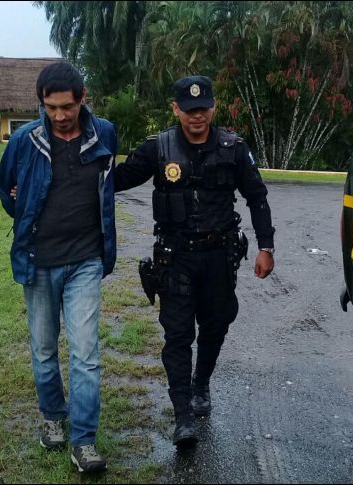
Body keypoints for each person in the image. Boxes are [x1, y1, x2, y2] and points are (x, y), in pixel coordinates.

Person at [114, 75, 275, 447]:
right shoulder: (158, 148)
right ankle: (182, 415)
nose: (196, 117)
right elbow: (118, 179)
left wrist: (266, 246)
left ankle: (201, 383)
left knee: (216, 324)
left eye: (202, 109)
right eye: (189, 110)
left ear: (213, 107)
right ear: (176, 109)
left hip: (219, 255)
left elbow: (257, 196)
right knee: (178, 334)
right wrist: (88, 166)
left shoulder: (234, 147)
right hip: (176, 257)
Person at [0, 61, 117, 473]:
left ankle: (83, 440)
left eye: (67, 106)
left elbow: (108, 184)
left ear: (83, 99)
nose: (60, 116)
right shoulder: (24, 140)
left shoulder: (105, 133)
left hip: (85, 260)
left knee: (85, 354)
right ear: (42, 104)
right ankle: (52, 414)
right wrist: (20, 203)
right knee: (44, 350)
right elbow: (7, 191)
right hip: (38, 260)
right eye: (51, 108)